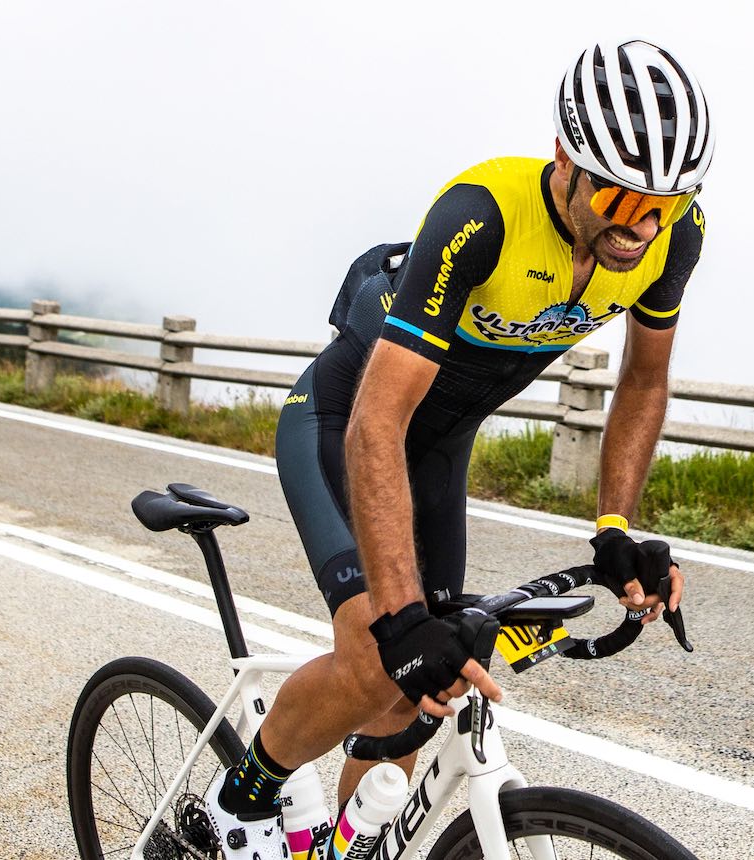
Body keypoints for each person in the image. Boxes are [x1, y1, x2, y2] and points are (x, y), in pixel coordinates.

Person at [201, 39, 715, 858]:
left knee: (421, 691)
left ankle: (353, 847)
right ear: (565, 159)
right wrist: (401, 617)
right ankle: (239, 799)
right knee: (379, 658)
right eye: (622, 197)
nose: (643, 227)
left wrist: (615, 527)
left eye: (669, 201)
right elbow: (376, 423)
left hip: (439, 452)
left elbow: (644, 380)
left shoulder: (670, 239)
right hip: (343, 425)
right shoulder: (480, 218)